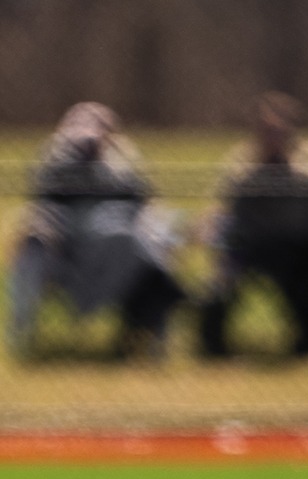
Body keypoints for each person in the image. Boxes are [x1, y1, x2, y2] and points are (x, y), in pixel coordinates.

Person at [197, 92, 308, 359]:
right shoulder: (243, 159)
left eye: (279, 129)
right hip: (253, 245)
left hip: (306, 246)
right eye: (265, 130)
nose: (272, 136)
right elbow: (225, 208)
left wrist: (288, 170)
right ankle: (213, 343)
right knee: (222, 276)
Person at [6, 102, 186, 360]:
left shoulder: (123, 166)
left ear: (112, 135)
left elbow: (143, 206)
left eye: (100, 127)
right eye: (80, 126)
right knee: (34, 245)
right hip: (65, 256)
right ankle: (21, 336)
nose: (90, 134)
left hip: (120, 255)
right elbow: (42, 209)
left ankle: (145, 334)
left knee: (147, 247)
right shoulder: (55, 165)